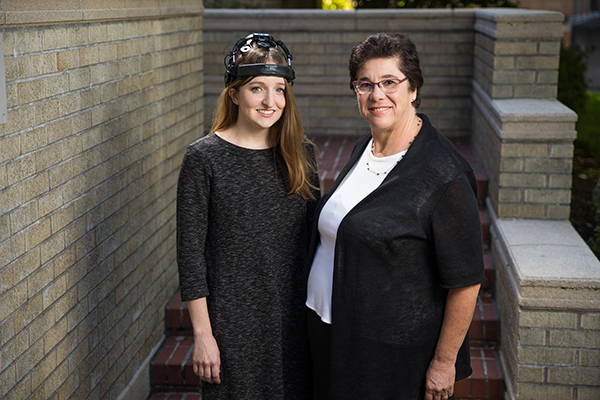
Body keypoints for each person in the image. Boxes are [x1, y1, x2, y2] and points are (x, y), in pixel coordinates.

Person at [305, 32, 485, 400]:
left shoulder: (443, 174)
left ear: (413, 88)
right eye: (365, 84)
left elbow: (465, 281)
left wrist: (444, 362)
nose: (377, 95)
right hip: (327, 330)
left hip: (385, 356)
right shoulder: (365, 147)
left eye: (390, 82)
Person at [177, 33, 319, 400]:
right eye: (257, 88)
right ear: (235, 94)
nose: (271, 101)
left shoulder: (301, 155)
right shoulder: (203, 159)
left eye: (279, 89)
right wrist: (203, 336)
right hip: (230, 328)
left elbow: (313, 243)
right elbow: (191, 257)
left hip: (294, 325)